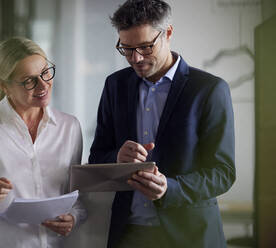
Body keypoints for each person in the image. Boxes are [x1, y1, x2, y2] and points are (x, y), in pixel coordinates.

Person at [89, 0, 235, 247]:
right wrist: (117, 156)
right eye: (126, 48)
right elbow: (97, 158)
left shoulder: (210, 89)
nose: (135, 58)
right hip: (129, 233)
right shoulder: (115, 85)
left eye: (145, 47)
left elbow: (223, 172)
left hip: (190, 236)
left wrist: (171, 188)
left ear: (168, 33)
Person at [0, 37, 86, 248]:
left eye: (45, 72)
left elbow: (76, 196)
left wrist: (74, 217)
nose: (43, 85)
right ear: (3, 85)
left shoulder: (70, 126)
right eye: (29, 80)